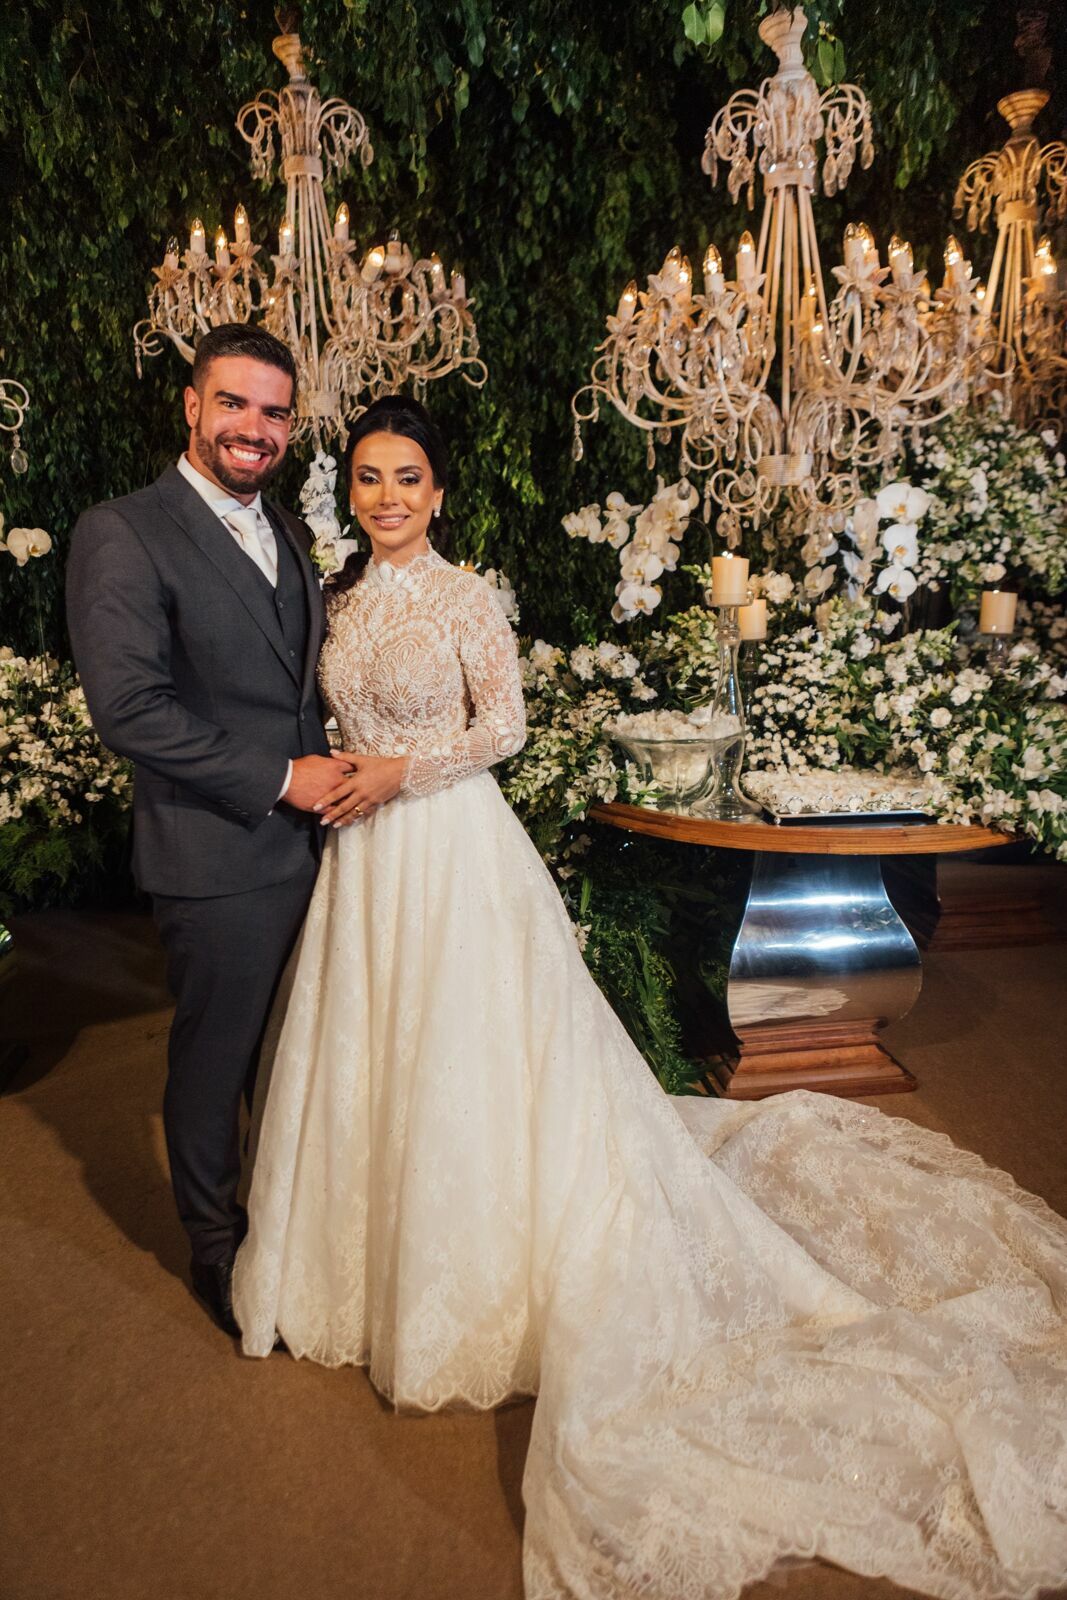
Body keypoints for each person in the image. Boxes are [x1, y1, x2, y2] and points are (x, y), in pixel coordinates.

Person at [234, 395, 1067, 1598]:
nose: (387, 498)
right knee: (378, 1056)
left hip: (453, 846)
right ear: (348, 490)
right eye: (368, 477)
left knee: (473, 1060)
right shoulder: (339, 601)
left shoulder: (467, 597)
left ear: (439, 490)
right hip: (363, 869)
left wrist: (397, 769)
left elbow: (505, 726)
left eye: (407, 477)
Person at [67, 324, 355, 1336]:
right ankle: (217, 1252)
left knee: (293, 1053)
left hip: (319, 849)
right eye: (233, 403)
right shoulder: (124, 529)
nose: (254, 427)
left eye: (275, 412)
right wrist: (283, 777)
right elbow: (131, 710)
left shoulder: (293, 534)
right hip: (215, 852)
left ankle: (284, 1225)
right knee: (215, 1058)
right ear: (191, 406)